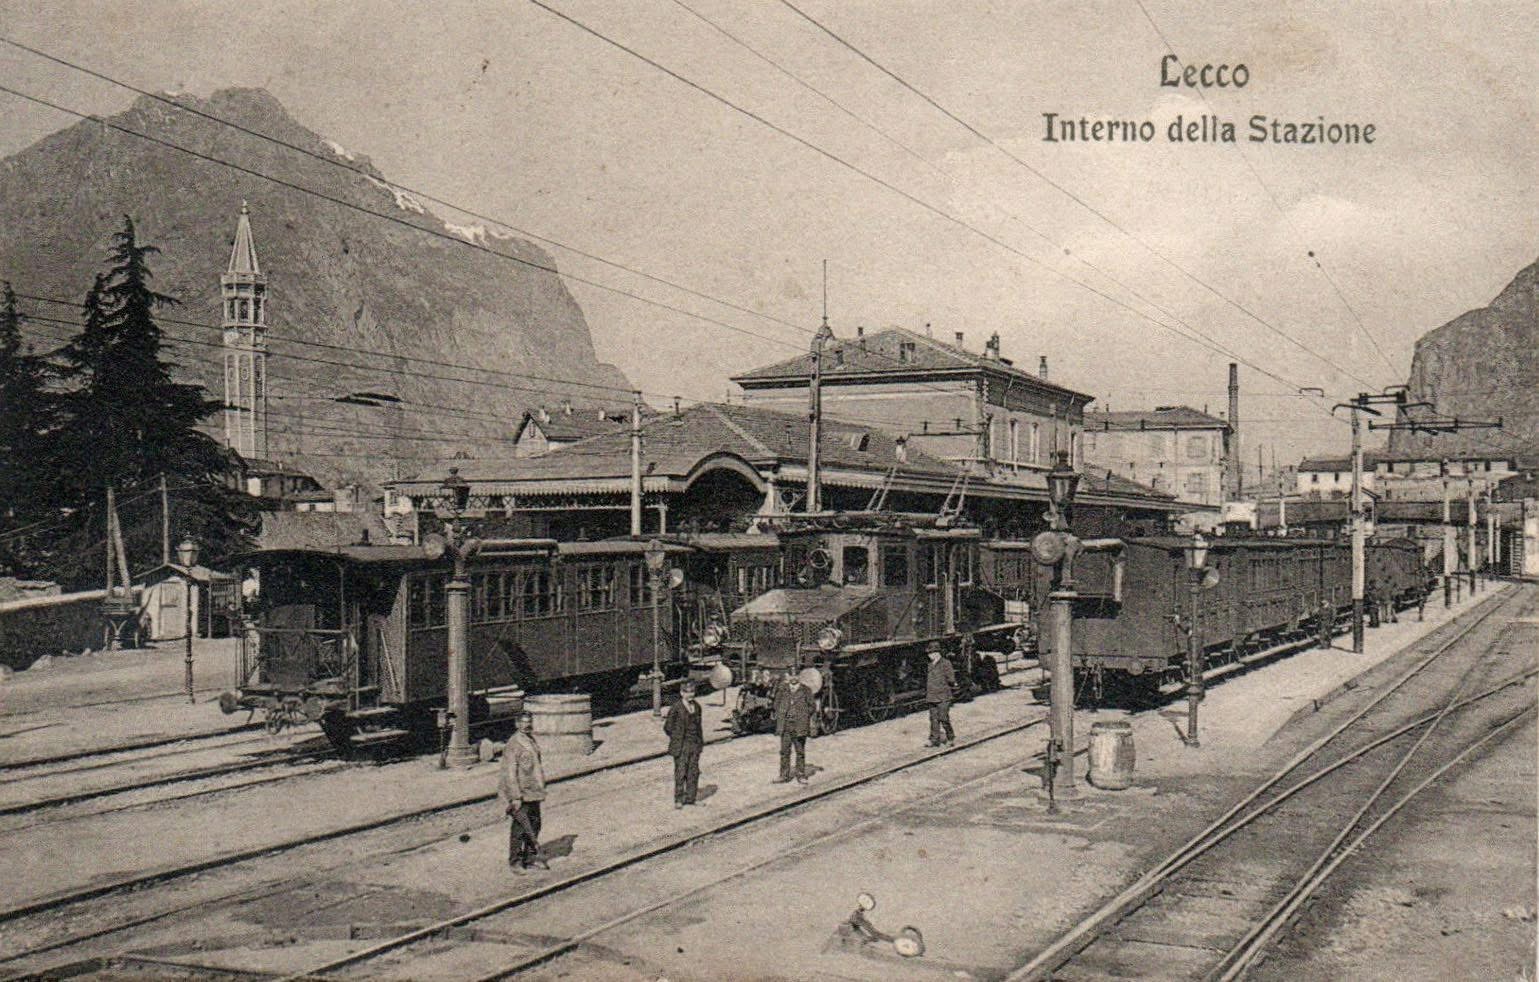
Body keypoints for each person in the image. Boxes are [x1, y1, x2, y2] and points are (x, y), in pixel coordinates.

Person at [498, 711, 549, 871]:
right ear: (517, 724)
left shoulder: (530, 740)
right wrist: (515, 797)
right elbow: (510, 773)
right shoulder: (513, 744)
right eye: (524, 722)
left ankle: (530, 857)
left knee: (534, 825)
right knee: (520, 828)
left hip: (533, 791)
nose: (527, 725)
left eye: (529, 722)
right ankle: (515, 861)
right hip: (522, 793)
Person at [664, 680, 705, 807]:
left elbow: (699, 726)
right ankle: (679, 799)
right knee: (680, 772)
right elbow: (668, 727)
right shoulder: (676, 708)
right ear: (682, 693)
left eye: (692, 692)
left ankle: (691, 798)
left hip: (694, 744)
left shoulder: (697, 707)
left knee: (693, 772)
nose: (691, 695)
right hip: (681, 745)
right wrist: (677, 738)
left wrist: (700, 743)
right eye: (688, 692)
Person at [773, 670, 815, 784]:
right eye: (791, 675)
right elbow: (776, 704)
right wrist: (782, 715)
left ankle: (801, 775)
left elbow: (812, 706)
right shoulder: (783, 689)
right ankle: (783, 775)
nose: (793, 678)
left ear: (799, 677)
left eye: (795, 675)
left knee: (800, 751)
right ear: (788, 676)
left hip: (799, 725)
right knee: (784, 751)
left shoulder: (806, 690)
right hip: (786, 726)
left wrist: (803, 715)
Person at [925, 644, 956, 747]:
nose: (929, 655)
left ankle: (950, 737)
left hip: (943, 696)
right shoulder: (930, 665)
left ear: (937, 653)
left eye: (931, 653)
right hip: (932, 696)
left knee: (943, 717)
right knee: (933, 719)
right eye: (929, 653)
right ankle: (934, 739)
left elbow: (951, 679)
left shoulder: (946, 663)